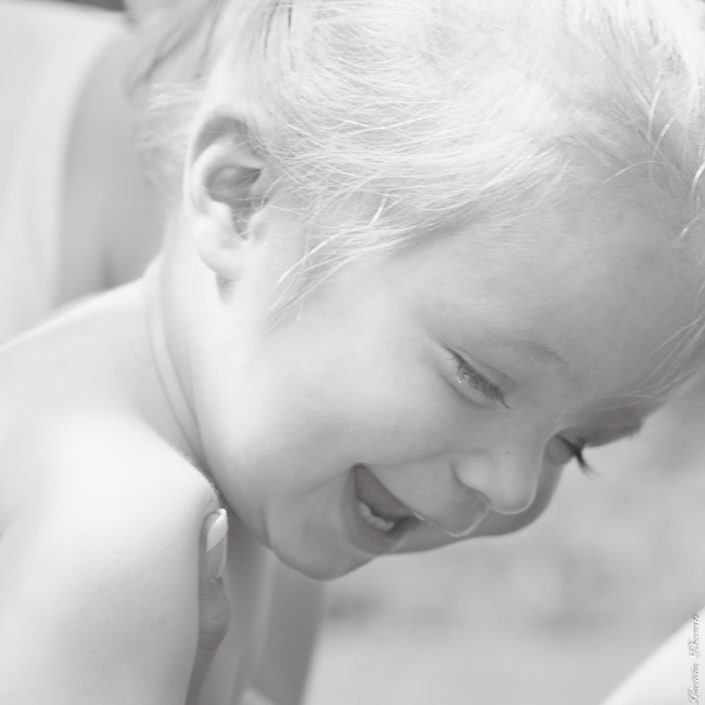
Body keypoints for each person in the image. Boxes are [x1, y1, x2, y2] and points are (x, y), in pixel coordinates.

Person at [1, 0, 705, 703]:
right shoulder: (111, 526)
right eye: (479, 378)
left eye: (573, 443)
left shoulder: (226, 485)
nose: (513, 487)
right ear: (245, 196)